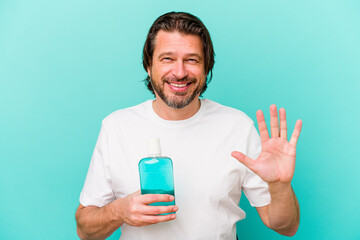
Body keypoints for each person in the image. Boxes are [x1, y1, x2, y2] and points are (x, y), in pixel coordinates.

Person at [75, 12, 302, 240]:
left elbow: (285, 227)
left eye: (192, 60)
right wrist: (118, 211)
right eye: (167, 59)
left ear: (206, 68)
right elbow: (85, 230)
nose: (180, 72)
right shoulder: (116, 127)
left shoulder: (238, 127)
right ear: (148, 65)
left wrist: (281, 185)